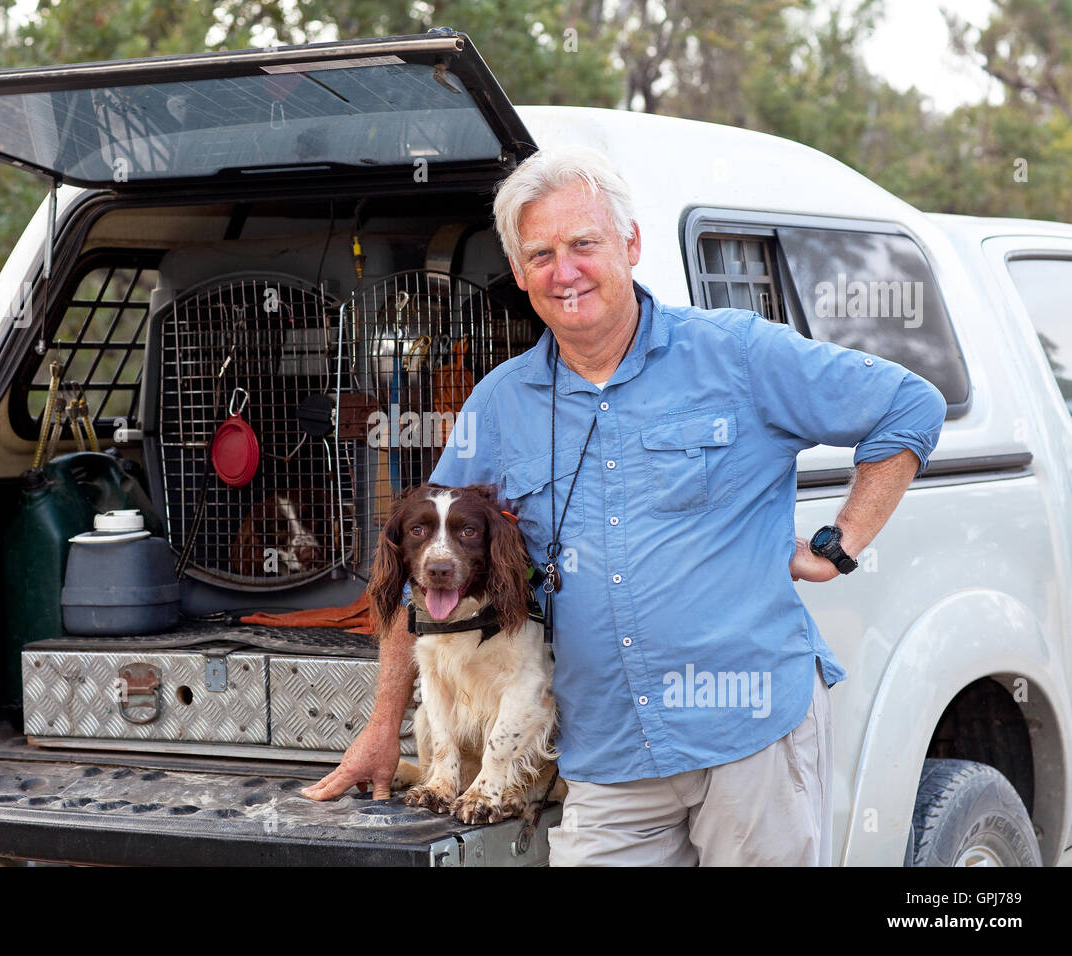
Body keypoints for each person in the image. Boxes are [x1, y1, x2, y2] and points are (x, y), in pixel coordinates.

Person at [302, 146, 947, 866]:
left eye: (584, 244)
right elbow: (421, 564)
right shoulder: (499, 403)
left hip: (749, 733)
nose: (565, 271)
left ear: (630, 245)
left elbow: (909, 405)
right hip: (606, 754)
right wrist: (384, 725)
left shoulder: (735, 353)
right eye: (540, 254)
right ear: (519, 274)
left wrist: (842, 542)